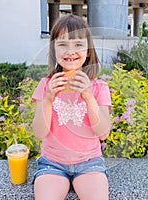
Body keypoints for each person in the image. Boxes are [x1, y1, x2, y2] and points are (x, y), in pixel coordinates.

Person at [32, 14, 112, 200]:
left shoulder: (99, 88)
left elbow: (103, 133)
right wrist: (48, 99)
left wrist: (88, 96)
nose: (70, 51)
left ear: (88, 51)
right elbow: (39, 132)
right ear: (53, 50)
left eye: (78, 44)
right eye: (62, 44)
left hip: (89, 163)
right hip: (52, 164)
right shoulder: (45, 85)